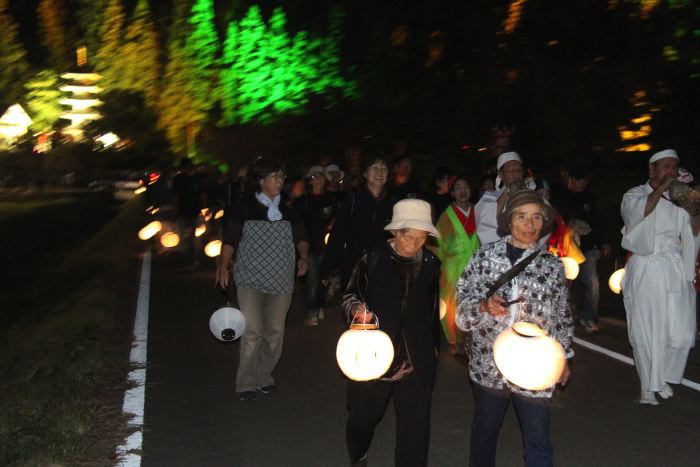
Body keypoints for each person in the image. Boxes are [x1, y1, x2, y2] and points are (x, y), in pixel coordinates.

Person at [456, 188, 573, 467]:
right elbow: (461, 307)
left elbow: (562, 315)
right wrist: (484, 305)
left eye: (536, 218)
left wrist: (564, 357)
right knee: (485, 432)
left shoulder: (551, 266)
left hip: (536, 364)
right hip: (489, 361)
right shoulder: (484, 258)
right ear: (509, 220)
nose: (530, 225)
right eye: (522, 217)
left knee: (538, 438)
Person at [342, 199, 442, 467]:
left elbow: (433, 310)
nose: (415, 244)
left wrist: (434, 351)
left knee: (415, 429)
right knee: (363, 418)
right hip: (374, 353)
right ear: (395, 232)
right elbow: (350, 293)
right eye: (410, 236)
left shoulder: (432, 263)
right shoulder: (372, 258)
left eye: (422, 238)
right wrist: (356, 310)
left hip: (415, 356)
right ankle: (359, 451)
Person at [216, 159, 309, 402]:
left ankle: (263, 376)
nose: (280, 181)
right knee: (253, 331)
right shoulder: (244, 206)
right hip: (249, 279)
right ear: (261, 180)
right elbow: (231, 239)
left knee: (274, 333)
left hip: (281, 280)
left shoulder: (289, 208)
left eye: (281, 176)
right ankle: (245, 382)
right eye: (274, 176)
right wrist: (223, 264)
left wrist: (304, 257)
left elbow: (301, 236)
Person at [620, 149, 699, 405]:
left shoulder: (679, 199)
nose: (672, 172)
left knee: (682, 330)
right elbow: (636, 215)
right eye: (666, 166)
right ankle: (647, 385)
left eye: (675, 167)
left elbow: (693, 233)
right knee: (647, 329)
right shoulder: (635, 194)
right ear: (651, 170)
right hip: (646, 266)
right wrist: (663, 188)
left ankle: (662, 375)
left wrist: (694, 208)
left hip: (674, 267)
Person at [321, 155, 398, 290]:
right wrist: (327, 269)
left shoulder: (395, 204)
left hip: (385, 271)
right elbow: (337, 236)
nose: (379, 172)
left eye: (383, 168)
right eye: (374, 168)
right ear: (364, 173)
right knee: (356, 310)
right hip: (354, 269)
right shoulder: (352, 202)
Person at [550, 164, 610, 333]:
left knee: (592, 283)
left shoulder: (588, 196)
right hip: (563, 248)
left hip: (586, 246)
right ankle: (563, 315)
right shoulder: (557, 193)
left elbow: (595, 220)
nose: (582, 183)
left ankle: (589, 316)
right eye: (579, 180)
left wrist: (602, 242)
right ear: (570, 179)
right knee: (563, 283)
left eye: (585, 180)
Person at [435, 175, 480, 355]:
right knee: (453, 303)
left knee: (475, 300)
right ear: (452, 193)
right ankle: (454, 338)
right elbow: (437, 245)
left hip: (475, 266)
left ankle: (473, 335)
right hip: (453, 268)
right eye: (458, 188)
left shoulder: (478, 211)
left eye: (466, 187)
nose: (463, 191)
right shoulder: (446, 217)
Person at [295, 166, 336, 327]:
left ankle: (318, 306)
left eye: (321, 176)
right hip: (308, 246)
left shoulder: (330, 199)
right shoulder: (303, 200)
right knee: (311, 279)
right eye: (315, 176)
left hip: (325, 245)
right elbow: (297, 223)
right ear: (310, 180)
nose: (318, 179)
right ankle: (312, 313)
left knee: (322, 279)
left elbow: (335, 220)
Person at [474, 152, 525, 245]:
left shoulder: (532, 195)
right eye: (511, 171)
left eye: (519, 170)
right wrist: (508, 190)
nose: (516, 174)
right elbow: (488, 221)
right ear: (501, 175)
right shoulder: (490, 197)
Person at [172, 158, 206, 272]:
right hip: (184, 213)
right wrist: (175, 213)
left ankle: (191, 262)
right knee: (186, 239)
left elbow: (201, 195)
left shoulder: (194, 179)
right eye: (188, 167)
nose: (190, 169)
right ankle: (188, 262)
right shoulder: (179, 179)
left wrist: (203, 208)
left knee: (190, 239)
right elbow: (176, 197)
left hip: (192, 213)